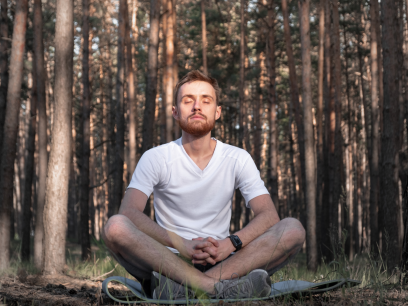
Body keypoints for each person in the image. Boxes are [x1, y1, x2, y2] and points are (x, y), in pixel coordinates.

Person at [102, 70, 305, 300]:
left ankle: (185, 289)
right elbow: (128, 212)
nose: (197, 106)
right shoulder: (156, 157)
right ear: (175, 112)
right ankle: (217, 289)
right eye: (188, 100)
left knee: (293, 229)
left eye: (205, 100)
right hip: (168, 261)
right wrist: (181, 244)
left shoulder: (237, 157)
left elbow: (269, 216)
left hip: (225, 261)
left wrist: (231, 244)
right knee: (115, 227)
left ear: (217, 112)